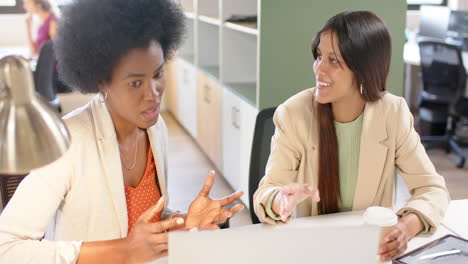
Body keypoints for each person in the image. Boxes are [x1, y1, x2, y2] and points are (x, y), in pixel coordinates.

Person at [0, 0, 243, 263]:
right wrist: (125, 250)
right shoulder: (70, 141)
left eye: (158, 74)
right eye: (135, 82)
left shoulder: (155, 128)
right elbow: (7, 247)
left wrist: (182, 221)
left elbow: (141, 222)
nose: (153, 94)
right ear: (102, 81)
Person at [253, 10, 449, 262]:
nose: (318, 68)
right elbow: (267, 192)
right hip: (312, 250)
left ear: (364, 69)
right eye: (319, 56)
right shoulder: (293, 113)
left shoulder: (393, 113)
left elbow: (432, 189)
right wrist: (280, 200)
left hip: (368, 251)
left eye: (333, 60)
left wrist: (406, 227)